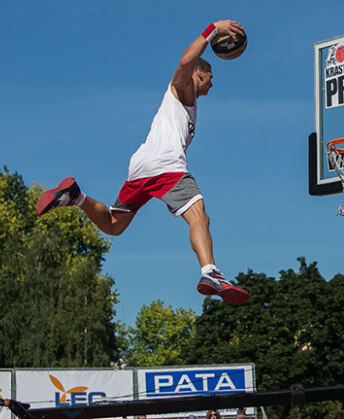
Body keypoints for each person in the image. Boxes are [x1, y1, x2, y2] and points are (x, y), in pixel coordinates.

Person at [36, 19, 249, 305]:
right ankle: (210, 271)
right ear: (199, 73)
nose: (213, 83)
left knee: (113, 226)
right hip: (165, 165)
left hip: (142, 166)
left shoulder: (186, 104)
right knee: (199, 215)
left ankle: (76, 197)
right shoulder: (183, 89)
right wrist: (213, 29)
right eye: (210, 76)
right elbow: (186, 60)